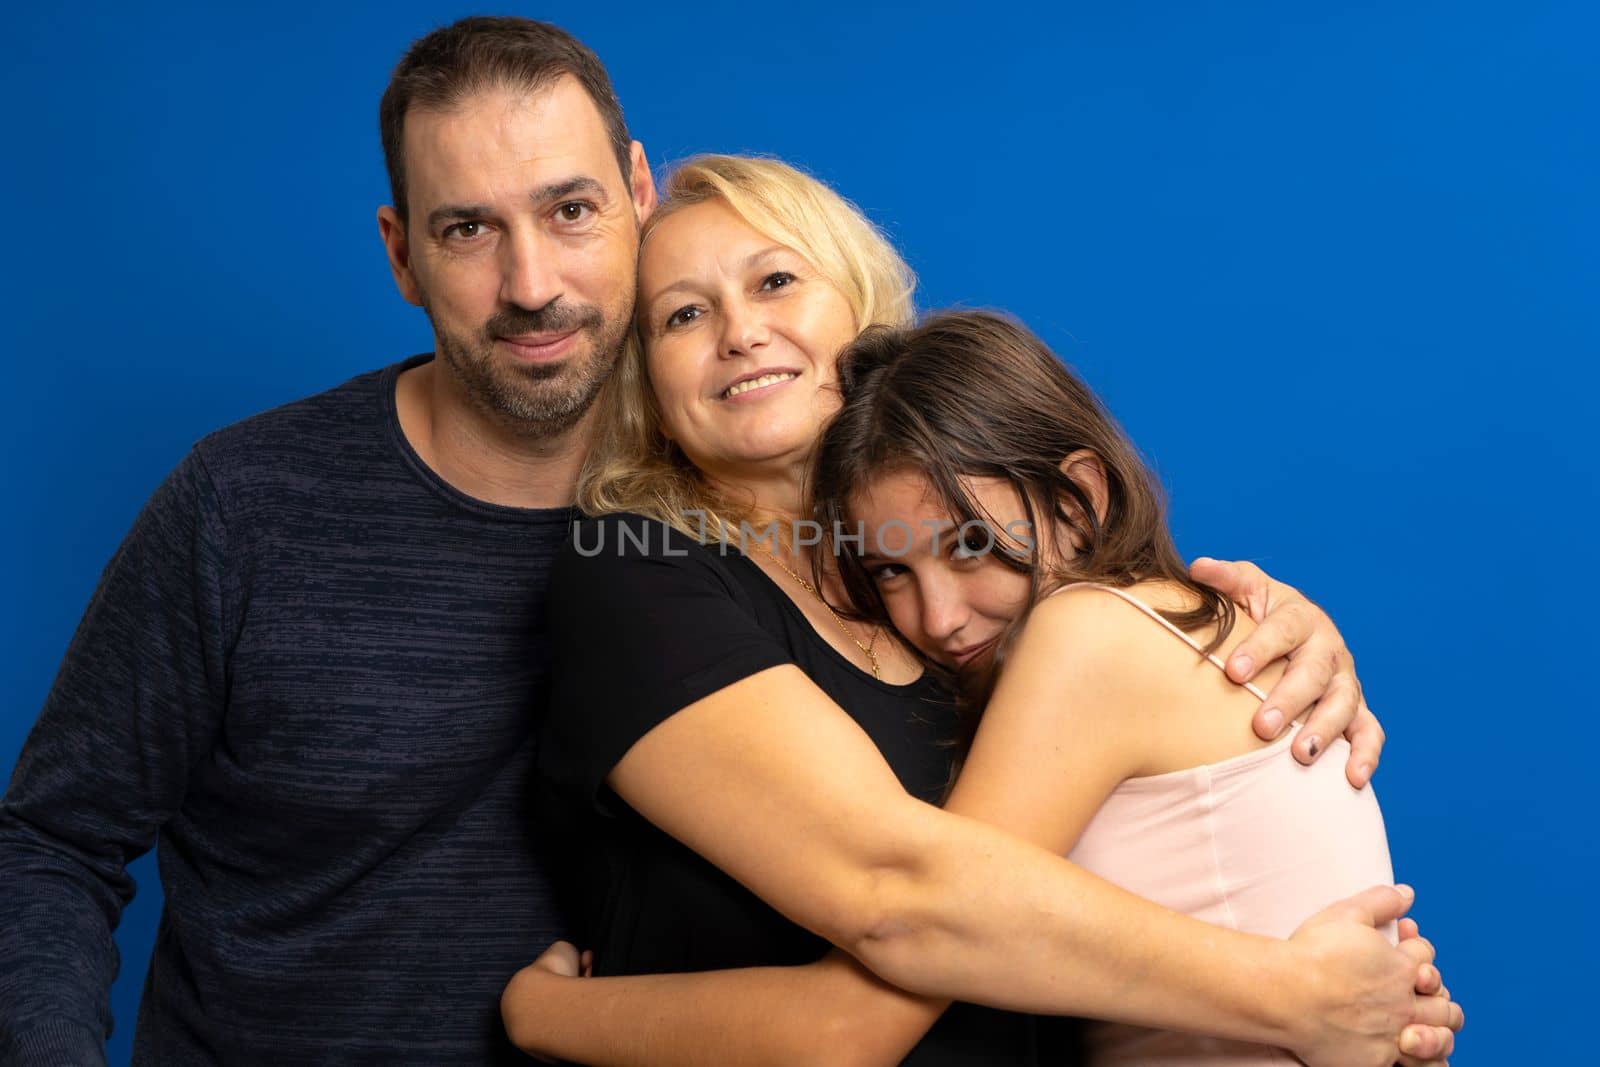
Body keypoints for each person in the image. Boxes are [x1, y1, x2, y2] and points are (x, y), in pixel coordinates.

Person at [0, 17, 1415, 1066]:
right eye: (466, 230)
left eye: (567, 211)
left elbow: (1088, 661)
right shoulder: (277, 508)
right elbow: (53, 838)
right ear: (399, 253)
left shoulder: (902, 571)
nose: (533, 280)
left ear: (631, 191)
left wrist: (1251, 632)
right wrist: (1287, 988)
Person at [509, 155, 1460, 1066]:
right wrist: (1299, 994)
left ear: (861, 306)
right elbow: (891, 939)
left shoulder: (981, 603)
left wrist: (1283, 624)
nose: (740, 332)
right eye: (681, 314)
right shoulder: (643, 575)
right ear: (645, 378)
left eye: (775, 282)